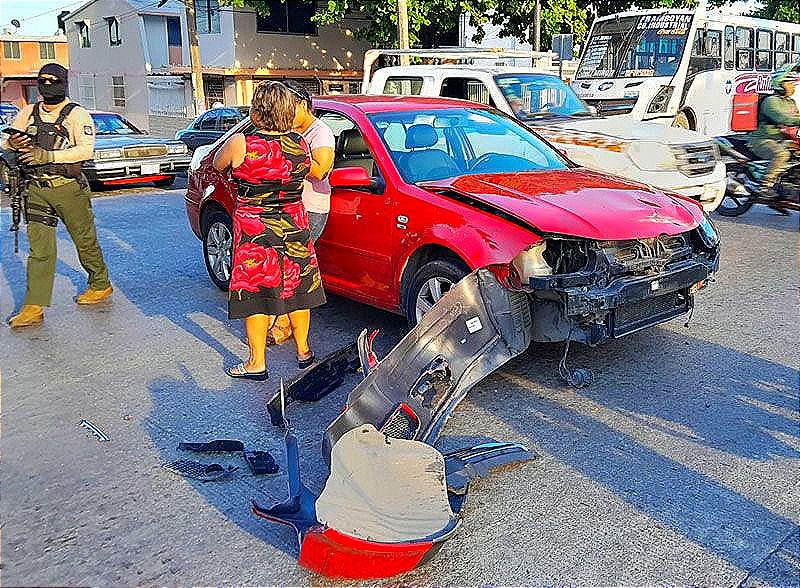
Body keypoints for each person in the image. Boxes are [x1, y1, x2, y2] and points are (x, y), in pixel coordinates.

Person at [212, 81, 326, 380]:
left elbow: (216, 162)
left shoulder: (241, 143)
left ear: (257, 111)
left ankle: (257, 362)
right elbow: (310, 171)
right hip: (293, 221)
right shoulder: (300, 143)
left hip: (255, 225)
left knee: (257, 290)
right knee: (298, 287)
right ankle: (304, 352)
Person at [3, 63, 112, 329]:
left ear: (64, 83)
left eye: (54, 80)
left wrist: (48, 156)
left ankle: (100, 284)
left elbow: (85, 150)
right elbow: (6, 143)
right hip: (36, 189)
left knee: (84, 240)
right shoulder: (27, 113)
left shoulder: (77, 115)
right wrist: (13, 143)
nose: (48, 85)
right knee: (40, 250)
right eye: (43, 80)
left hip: (68, 188)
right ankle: (34, 306)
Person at [269, 81, 335, 346]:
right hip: (286, 206)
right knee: (282, 266)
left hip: (310, 207)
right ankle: (282, 320)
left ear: (302, 105)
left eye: (287, 107)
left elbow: (321, 171)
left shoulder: (320, 132)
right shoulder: (287, 132)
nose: (283, 113)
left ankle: (284, 324)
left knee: (293, 267)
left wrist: (287, 156)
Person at [748, 65, 800, 198]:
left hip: (782, 139)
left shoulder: (791, 102)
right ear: (780, 84)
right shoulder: (770, 102)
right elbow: (782, 118)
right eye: (789, 83)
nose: (792, 87)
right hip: (762, 140)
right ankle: (765, 186)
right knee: (781, 155)